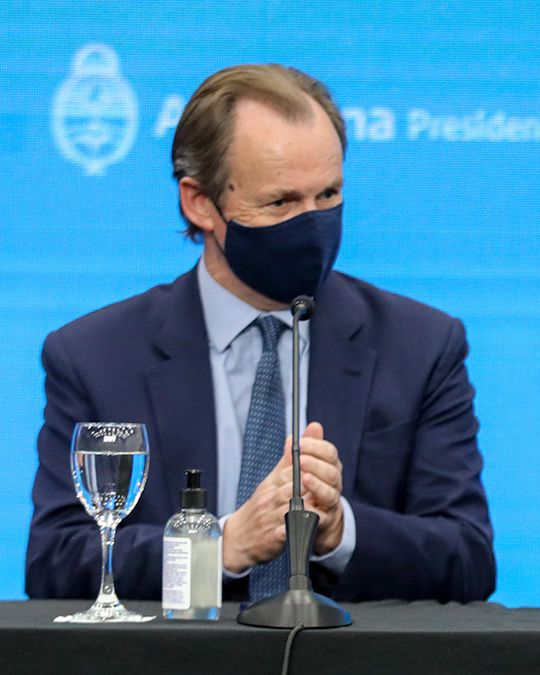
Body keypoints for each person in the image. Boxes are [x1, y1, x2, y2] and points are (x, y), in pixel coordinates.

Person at [26, 64, 495, 603]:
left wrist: (340, 530)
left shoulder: (420, 347)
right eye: (281, 203)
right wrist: (218, 549)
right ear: (200, 202)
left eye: (328, 195)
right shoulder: (96, 357)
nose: (313, 225)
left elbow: (469, 560)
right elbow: (57, 563)